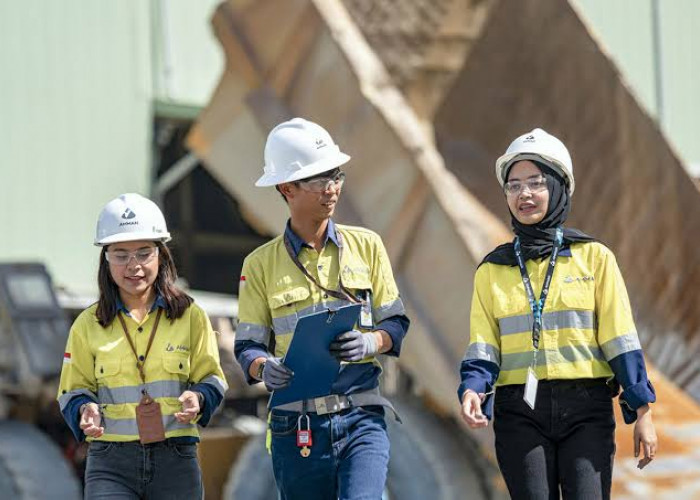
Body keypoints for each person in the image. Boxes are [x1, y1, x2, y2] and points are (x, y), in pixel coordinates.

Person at [458, 128, 658, 499]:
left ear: (558, 186)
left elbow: (620, 339)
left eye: (536, 183)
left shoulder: (595, 258)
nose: (525, 195)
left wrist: (642, 411)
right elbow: (484, 345)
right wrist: (473, 388)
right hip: (519, 410)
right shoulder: (492, 269)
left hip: (586, 408)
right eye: (514, 186)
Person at [235, 117, 409, 499]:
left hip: (361, 416)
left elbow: (395, 322)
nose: (332, 190)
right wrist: (265, 367)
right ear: (287, 188)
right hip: (295, 425)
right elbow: (246, 347)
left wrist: (371, 343)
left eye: (336, 177)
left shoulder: (367, 246)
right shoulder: (260, 265)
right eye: (318, 181)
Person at [57, 193, 228, 499]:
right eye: (121, 254)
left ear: (160, 254)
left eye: (143, 253)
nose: (133, 265)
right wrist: (85, 408)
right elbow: (72, 389)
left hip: (176, 461)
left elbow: (212, 379)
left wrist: (199, 397)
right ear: (106, 258)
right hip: (110, 462)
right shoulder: (87, 324)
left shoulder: (190, 315)